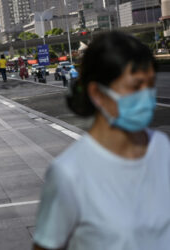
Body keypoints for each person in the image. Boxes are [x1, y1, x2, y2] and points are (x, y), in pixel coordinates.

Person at [33, 31, 170, 250]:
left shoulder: (162, 147)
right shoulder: (69, 174)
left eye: (150, 84)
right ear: (97, 93)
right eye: (135, 86)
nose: (146, 96)